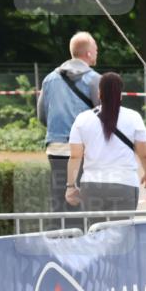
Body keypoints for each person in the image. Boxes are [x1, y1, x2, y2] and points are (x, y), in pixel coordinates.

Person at [65, 73, 146, 217]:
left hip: (92, 186)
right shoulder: (134, 117)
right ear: (120, 95)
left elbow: (75, 156)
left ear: (99, 93)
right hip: (125, 184)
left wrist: (70, 186)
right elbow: (145, 155)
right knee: (122, 230)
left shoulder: (82, 119)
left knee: (95, 230)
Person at [37, 31, 101, 221]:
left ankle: (59, 235)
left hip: (56, 146)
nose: (97, 52)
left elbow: (42, 116)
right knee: (83, 200)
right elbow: (102, 115)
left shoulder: (49, 79)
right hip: (83, 149)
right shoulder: (95, 79)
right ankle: (81, 236)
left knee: (59, 200)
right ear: (88, 53)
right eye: (96, 49)